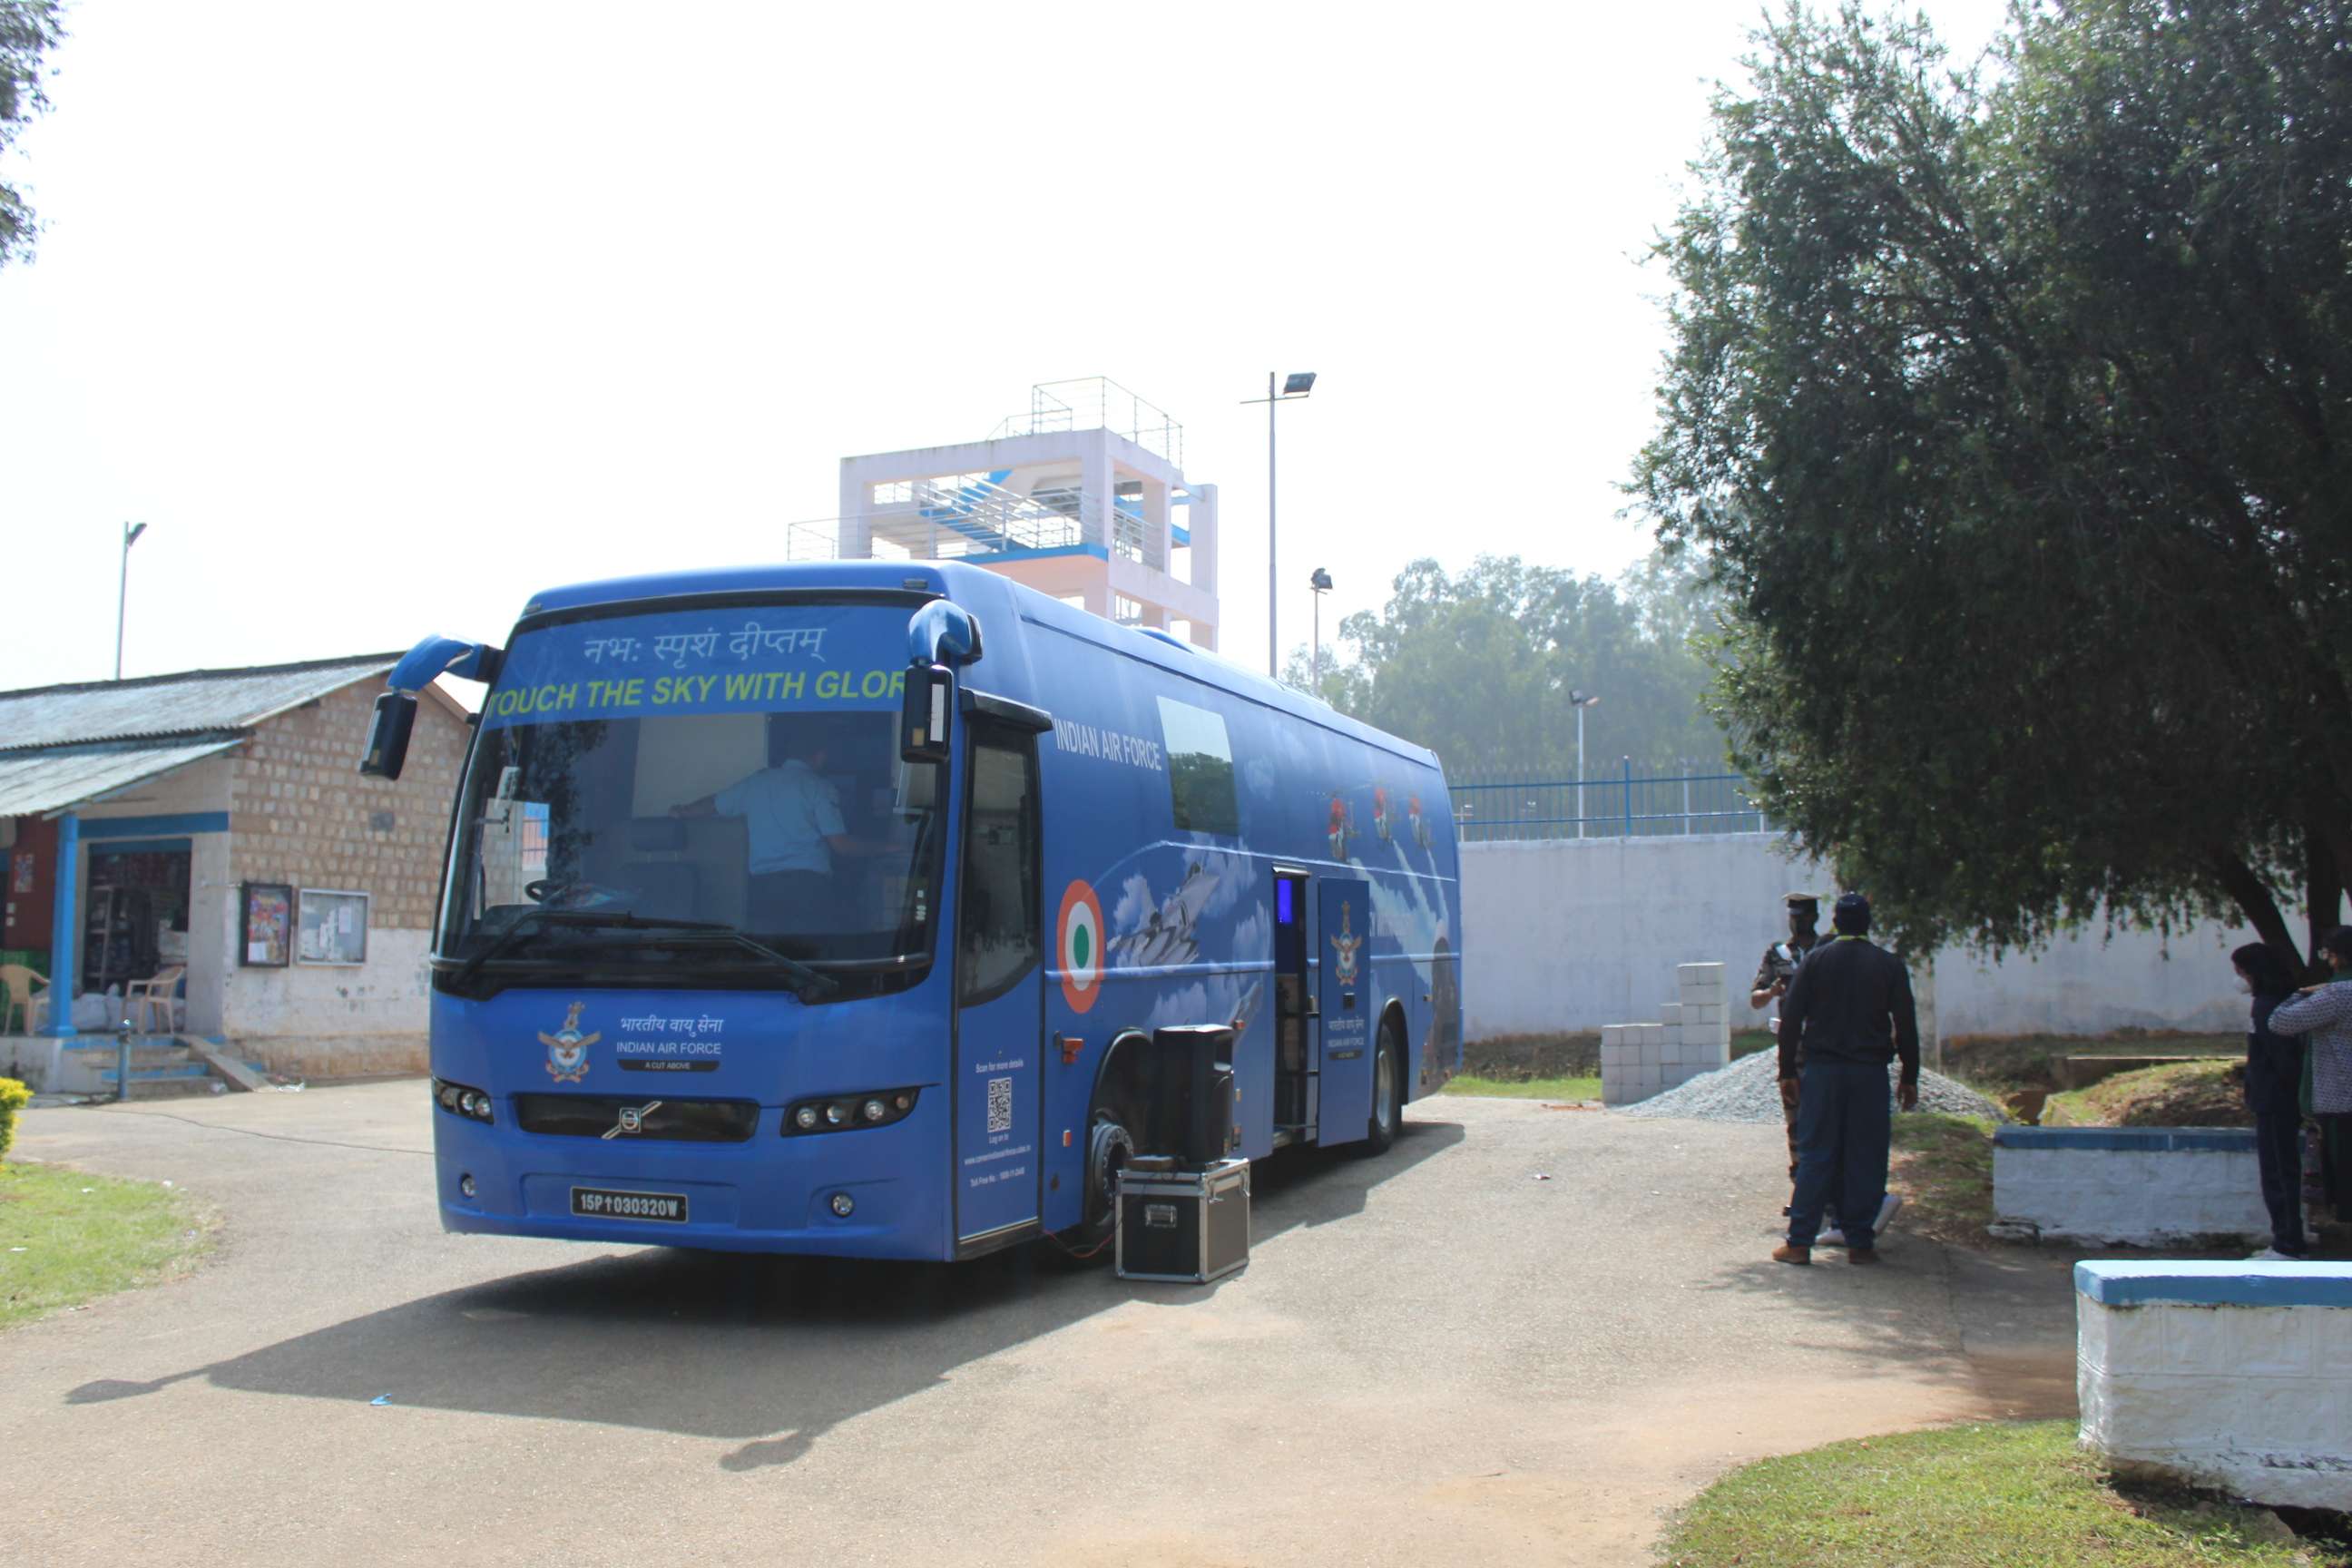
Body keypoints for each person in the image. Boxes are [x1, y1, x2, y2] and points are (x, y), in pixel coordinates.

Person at [1773, 892, 1920, 1266]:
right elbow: (1904, 1024)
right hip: (1869, 1074)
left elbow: (1791, 1020)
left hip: (1822, 1072)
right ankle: (1859, 1243)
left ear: (1836, 922)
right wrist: (1909, 1075)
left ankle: (1800, 1242)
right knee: (1866, 1156)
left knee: (1816, 1154)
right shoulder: (1888, 965)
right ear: (1868, 924)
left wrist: (1787, 1070)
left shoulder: (1816, 962)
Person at [672, 727, 866, 933]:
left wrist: (681, 811)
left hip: (762, 889)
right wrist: (893, 848)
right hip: (808, 889)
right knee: (810, 955)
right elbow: (841, 846)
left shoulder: (757, 783)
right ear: (820, 756)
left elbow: (712, 804)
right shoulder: (819, 787)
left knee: (767, 956)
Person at [1753, 892, 1839, 1236]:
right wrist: (1773, 992)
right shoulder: (1778, 954)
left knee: (1826, 1121)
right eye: (1794, 915)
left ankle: (1829, 1196)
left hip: (1825, 1046)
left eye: (1804, 915)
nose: (1799, 921)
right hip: (1793, 1050)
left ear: (1815, 917)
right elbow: (1755, 998)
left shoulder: (1828, 950)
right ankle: (1802, 1191)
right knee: (1796, 1123)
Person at [2268, 923, 2352, 1230]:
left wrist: (2301, 993)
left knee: (2344, 1184)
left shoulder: (2335, 995)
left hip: (2341, 1098)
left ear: (2338, 958)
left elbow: (2280, 1022)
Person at [2231, 941, 2307, 1260]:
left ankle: (2288, 1242)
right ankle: (2290, 1236)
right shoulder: (2281, 1001)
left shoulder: (2266, 1006)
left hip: (2274, 1100)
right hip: (2275, 1097)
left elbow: (2280, 1059)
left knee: (2277, 1172)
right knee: (2283, 1168)